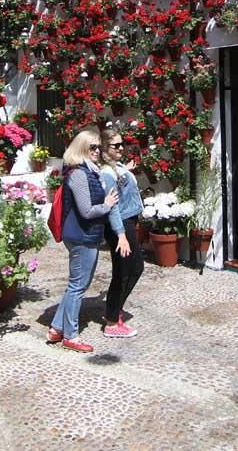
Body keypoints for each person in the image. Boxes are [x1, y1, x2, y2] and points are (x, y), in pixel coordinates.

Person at [46, 128, 119, 353]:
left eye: (98, 147)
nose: (97, 151)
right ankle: (71, 335)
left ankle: (57, 327)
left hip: (85, 235)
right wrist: (107, 204)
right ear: (81, 148)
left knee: (76, 285)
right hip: (81, 236)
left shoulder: (89, 171)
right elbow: (86, 211)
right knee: (78, 286)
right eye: (92, 147)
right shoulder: (79, 174)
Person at [100, 129, 143, 338]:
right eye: (115, 145)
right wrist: (121, 235)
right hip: (121, 224)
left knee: (132, 269)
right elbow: (113, 207)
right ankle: (111, 320)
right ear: (105, 149)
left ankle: (114, 309)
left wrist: (126, 170)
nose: (120, 148)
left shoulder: (115, 168)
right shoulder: (107, 174)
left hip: (128, 222)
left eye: (121, 144)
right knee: (125, 271)